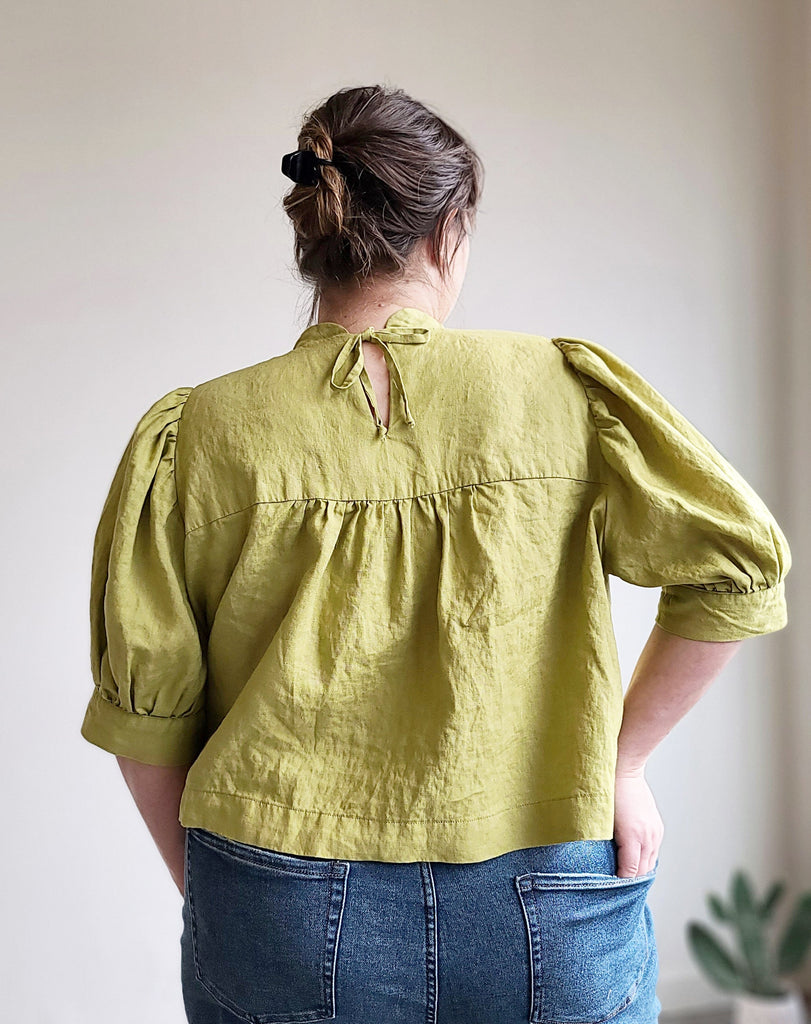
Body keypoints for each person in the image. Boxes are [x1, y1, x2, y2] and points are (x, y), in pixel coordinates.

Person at [80, 84, 792, 1024]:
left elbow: (146, 717)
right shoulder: (564, 391)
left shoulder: (199, 431)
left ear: (311, 234)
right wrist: (620, 767)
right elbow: (739, 571)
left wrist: (234, 896)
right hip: (547, 882)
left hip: (274, 896)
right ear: (447, 231)